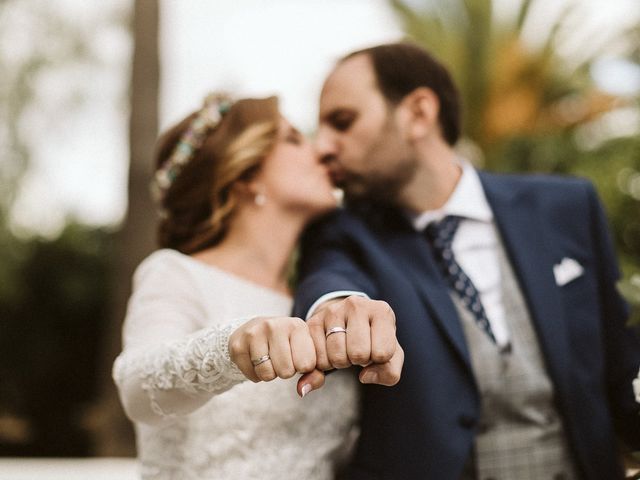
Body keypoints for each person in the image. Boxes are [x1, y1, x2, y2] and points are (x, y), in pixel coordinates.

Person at [293, 42, 640, 479]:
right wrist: (337, 308)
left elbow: (619, 362)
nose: (321, 146)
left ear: (418, 113)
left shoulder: (567, 206)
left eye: (342, 122)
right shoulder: (345, 233)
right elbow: (330, 278)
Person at [112, 94, 402, 480]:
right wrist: (230, 348)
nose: (320, 151)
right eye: (294, 139)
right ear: (246, 174)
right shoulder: (174, 273)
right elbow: (138, 389)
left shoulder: (315, 304)